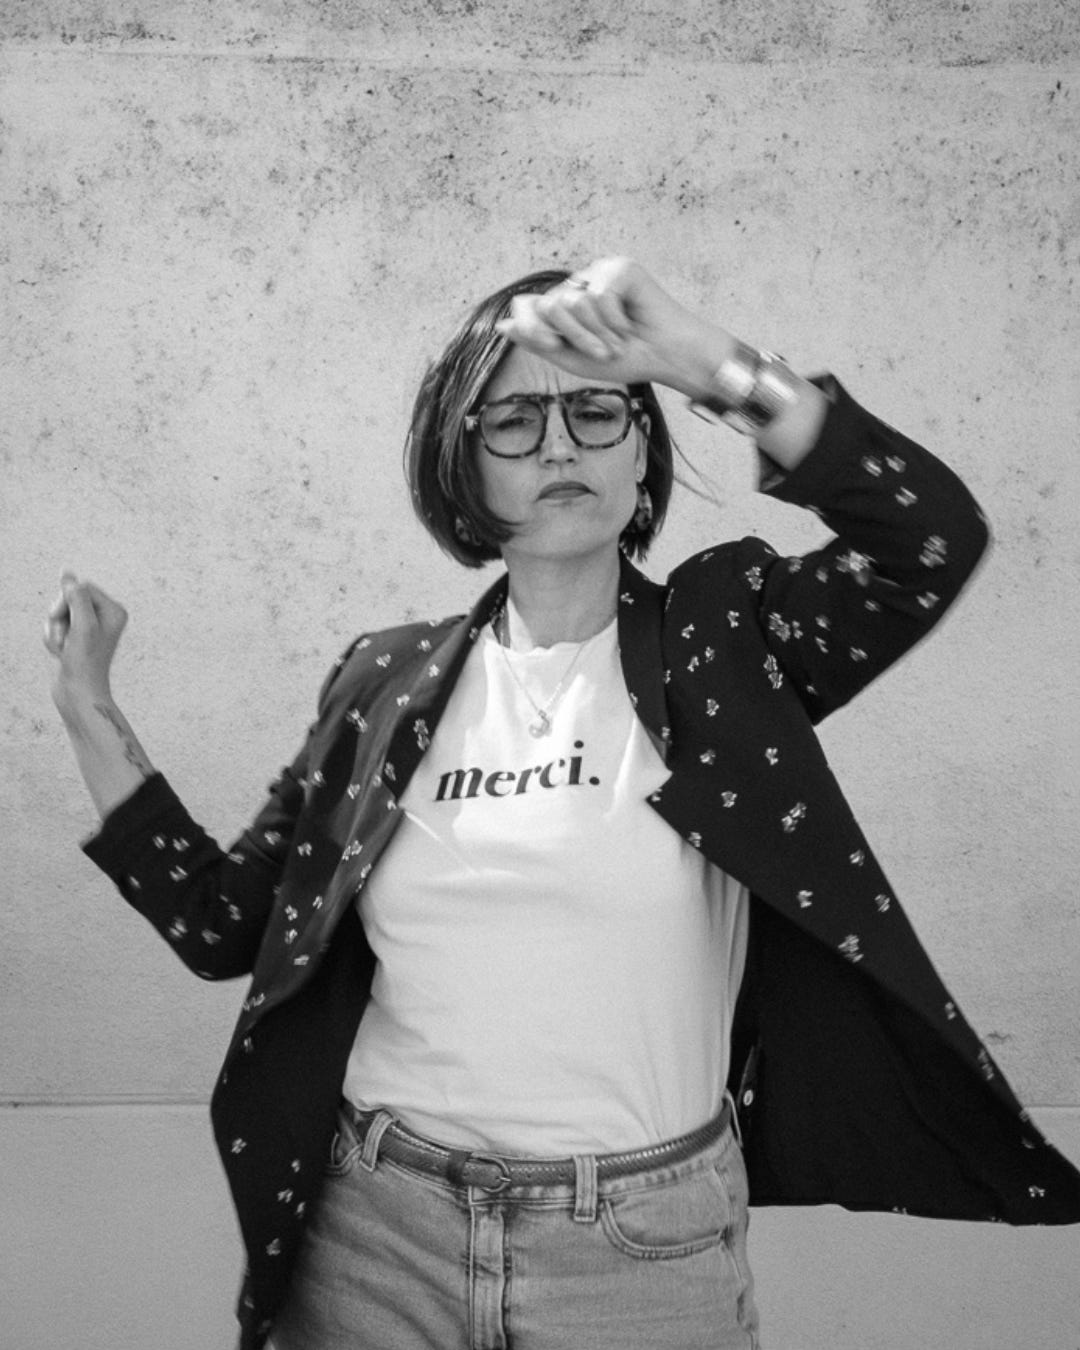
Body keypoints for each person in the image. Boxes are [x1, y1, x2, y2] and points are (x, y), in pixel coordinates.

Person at [44, 256, 1080, 1350]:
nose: (559, 446)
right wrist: (86, 706)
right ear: (462, 462)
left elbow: (930, 541)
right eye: (514, 421)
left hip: (639, 1250)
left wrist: (700, 359)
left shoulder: (722, 639)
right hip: (374, 1238)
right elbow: (222, 924)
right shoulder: (384, 683)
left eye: (596, 411)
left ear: (641, 448)